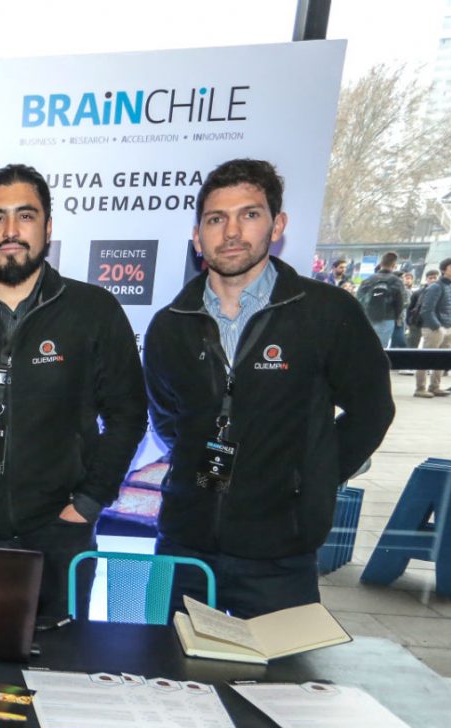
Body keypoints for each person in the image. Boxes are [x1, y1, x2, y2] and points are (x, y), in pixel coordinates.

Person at [144, 159, 395, 618]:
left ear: (277, 226)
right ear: (198, 237)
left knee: (280, 667)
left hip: (281, 557)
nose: (232, 231)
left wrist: (308, 478)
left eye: (250, 214)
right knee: (165, 663)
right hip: (182, 548)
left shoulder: (326, 313)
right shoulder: (169, 325)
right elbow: (169, 421)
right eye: (216, 219)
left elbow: (372, 410)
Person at [0, 163, 147, 627]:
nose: (11, 230)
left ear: (48, 227)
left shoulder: (93, 310)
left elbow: (128, 414)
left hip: (61, 539)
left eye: (26, 216)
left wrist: (87, 504)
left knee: (60, 666)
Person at [416, 258, 451, 397]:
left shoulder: (450, 285)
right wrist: (437, 327)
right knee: (427, 358)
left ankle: (435, 387)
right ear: (443, 270)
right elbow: (426, 310)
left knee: (442, 358)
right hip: (434, 328)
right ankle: (420, 388)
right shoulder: (436, 286)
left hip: (448, 326)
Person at [355, 252, 408, 349]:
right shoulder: (396, 281)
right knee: (380, 348)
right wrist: (396, 316)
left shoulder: (368, 279)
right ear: (394, 265)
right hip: (387, 318)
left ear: (380, 264)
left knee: (364, 346)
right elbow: (401, 302)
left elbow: (359, 298)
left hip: (368, 317)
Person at [405, 268, 437, 350]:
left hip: (434, 324)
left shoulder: (442, 293)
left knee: (430, 346)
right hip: (417, 322)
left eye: (435, 278)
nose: (433, 280)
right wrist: (409, 321)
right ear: (426, 279)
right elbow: (410, 308)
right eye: (430, 278)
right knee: (412, 345)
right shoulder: (418, 293)